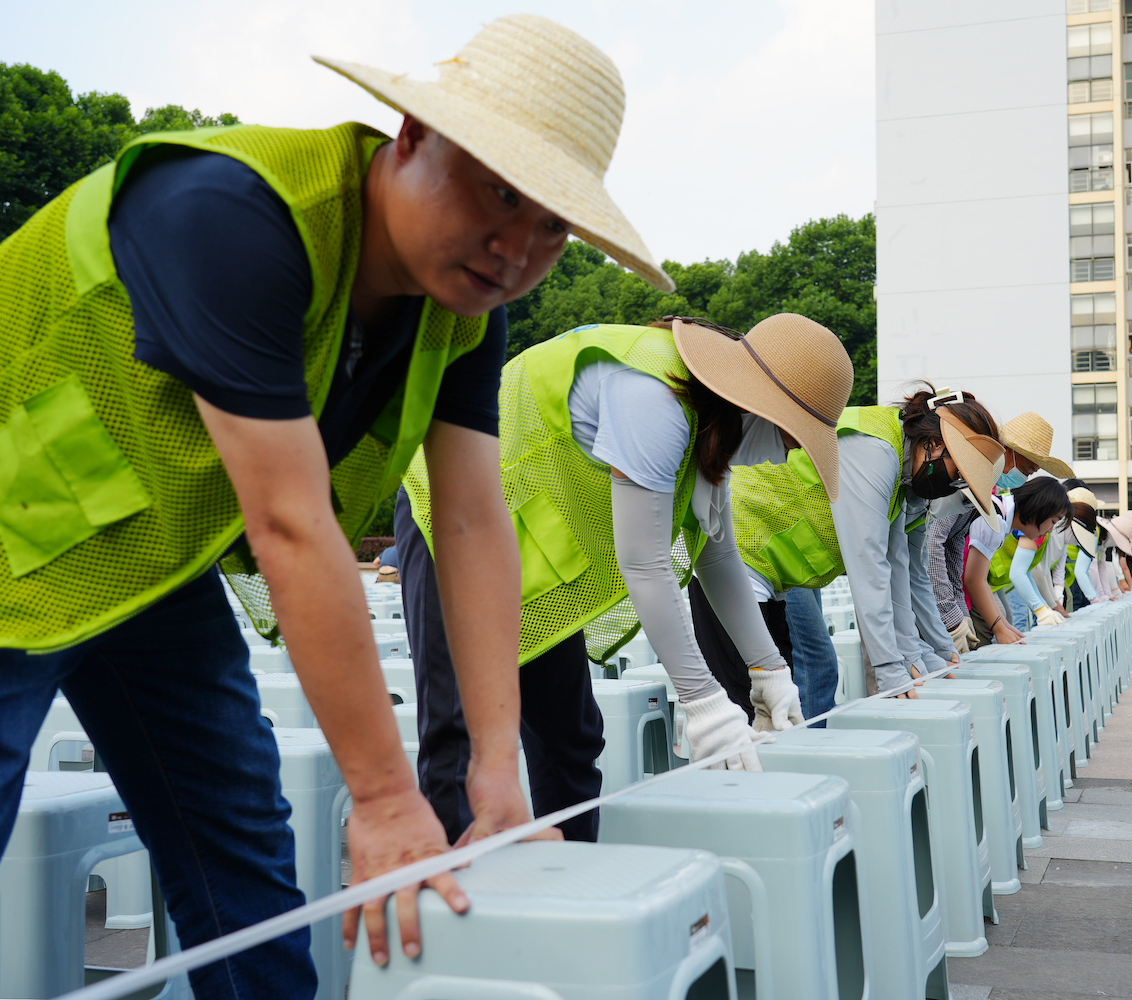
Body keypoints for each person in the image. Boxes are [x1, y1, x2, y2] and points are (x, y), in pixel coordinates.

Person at [0, 15, 675, 990]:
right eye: (500, 191)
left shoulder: (460, 310)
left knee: (240, 849)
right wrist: (385, 793)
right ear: (410, 135)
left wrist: (494, 765)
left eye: (552, 226)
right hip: (16, 542)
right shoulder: (233, 215)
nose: (516, 248)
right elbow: (290, 519)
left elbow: (472, 519)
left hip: (139, 560)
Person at [397, 314, 854, 840]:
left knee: (570, 735)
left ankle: (566, 878)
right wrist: (703, 698)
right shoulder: (654, 399)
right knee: (458, 736)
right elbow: (645, 563)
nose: (791, 454)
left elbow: (719, 555)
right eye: (795, 438)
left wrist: (768, 670)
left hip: (531, 549)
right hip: (447, 515)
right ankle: (454, 902)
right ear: (761, 408)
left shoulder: (712, 426)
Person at [716, 386, 1006, 709]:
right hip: (739, 552)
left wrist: (918, 656)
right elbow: (869, 567)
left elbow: (899, 566)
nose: (951, 487)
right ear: (935, 445)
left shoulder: (902, 472)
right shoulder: (877, 451)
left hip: (773, 575)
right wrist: (889, 670)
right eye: (957, 475)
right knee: (747, 709)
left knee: (775, 709)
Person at [927, 421, 1051, 653]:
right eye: (1026, 469)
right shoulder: (963, 478)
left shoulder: (985, 490)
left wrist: (960, 613)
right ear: (1009, 453)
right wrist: (953, 618)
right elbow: (932, 544)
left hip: (941, 596)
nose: (1025, 477)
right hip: (922, 594)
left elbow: (952, 548)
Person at [964, 477, 1075, 640]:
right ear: (1039, 509)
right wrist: (1000, 629)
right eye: (1052, 521)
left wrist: (1005, 626)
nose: (1051, 530)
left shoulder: (1003, 520)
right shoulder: (995, 520)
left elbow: (980, 580)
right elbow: (974, 580)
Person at [1054, 487, 1104, 610]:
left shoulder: (1061, 533)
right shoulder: (1050, 529)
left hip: (1063, 580)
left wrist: (1057, 595)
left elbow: (1058, 565)